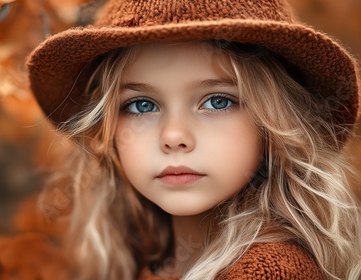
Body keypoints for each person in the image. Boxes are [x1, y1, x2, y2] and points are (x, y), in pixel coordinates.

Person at [26, 0, 361, 279]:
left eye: (218, 101)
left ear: (273, 121)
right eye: (142, 105)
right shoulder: (150, 262)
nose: (174, 137)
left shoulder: (271, 271)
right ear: (107, 129)